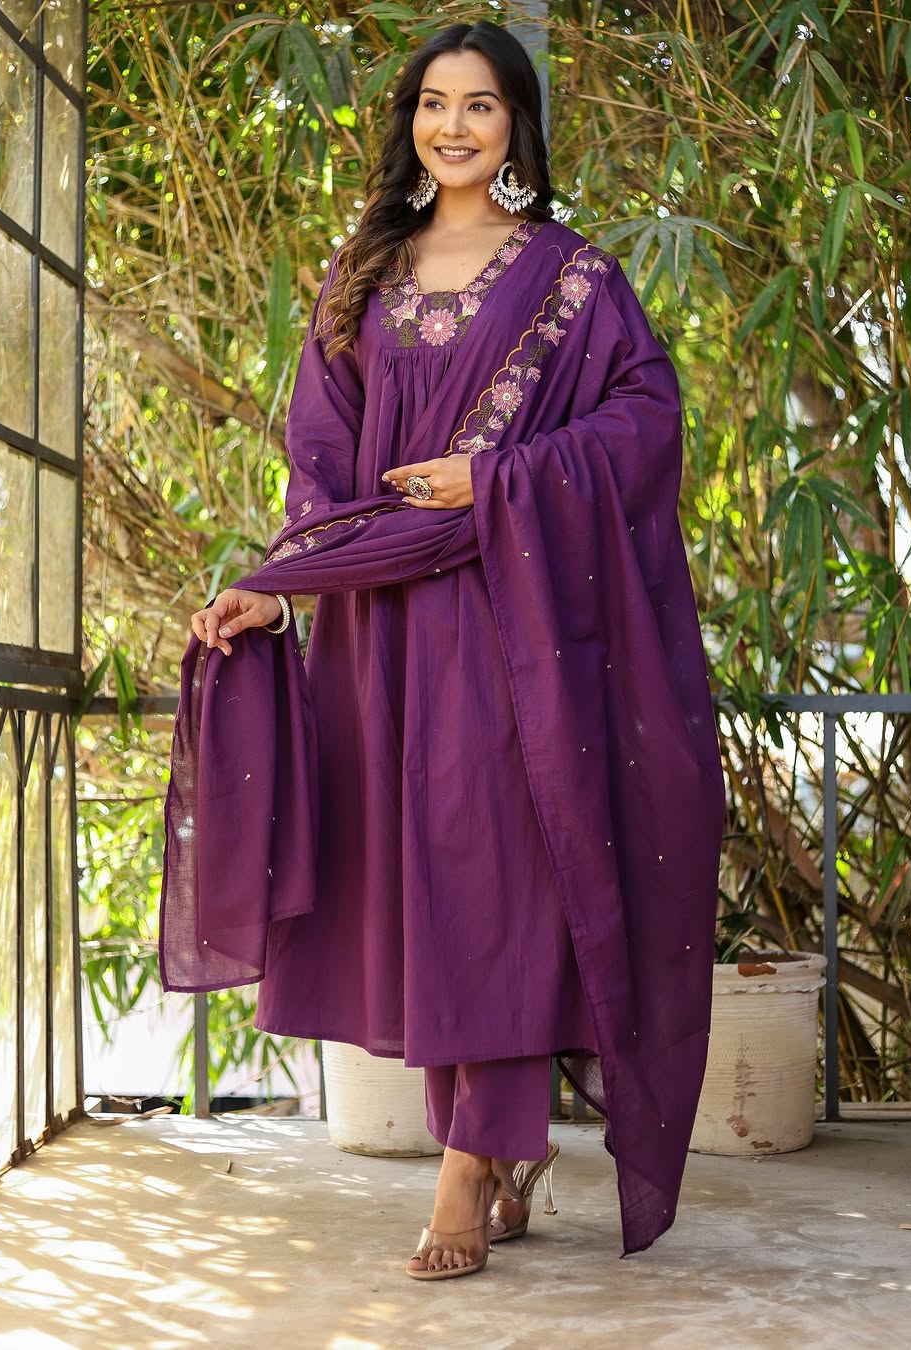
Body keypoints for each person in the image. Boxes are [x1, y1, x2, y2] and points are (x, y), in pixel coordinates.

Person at [159, 20, 725, 1280]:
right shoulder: (361, 274)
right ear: (409, 121)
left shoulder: (574, 280)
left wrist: (497, 479)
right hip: (379, 631)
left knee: (497, 883)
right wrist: (275, 591)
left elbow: (647, 424)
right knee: (417, 890)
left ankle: (470, 1165)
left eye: (479, 104)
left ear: (516, 124)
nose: (453, 126)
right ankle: (496, 1145)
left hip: (515, 626)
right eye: (432, 102)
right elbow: (320, 469)